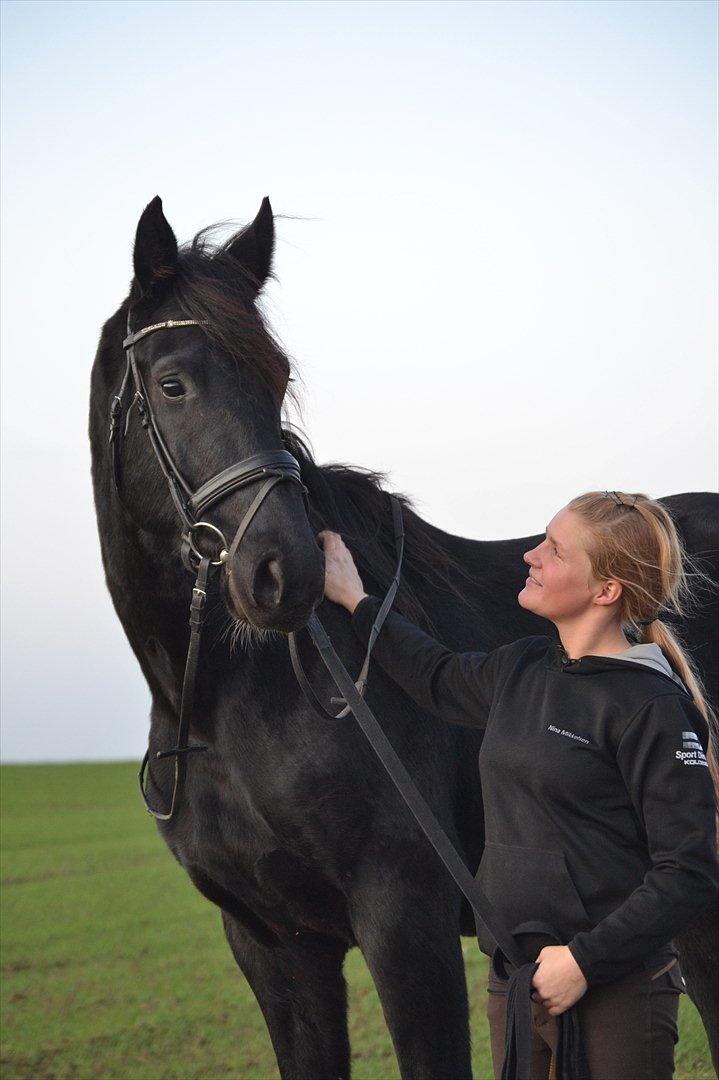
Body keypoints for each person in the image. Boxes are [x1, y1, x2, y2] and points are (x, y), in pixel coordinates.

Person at [316, 490, 718, 1080]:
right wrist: (356, 600)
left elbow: (689, 869)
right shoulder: (523, 666)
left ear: (605, 592)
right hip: (517, 983)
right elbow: (433, 675)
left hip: (615, 992)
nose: (530, 556)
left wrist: (583, 962)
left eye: (555, 550)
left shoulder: (651, 706)